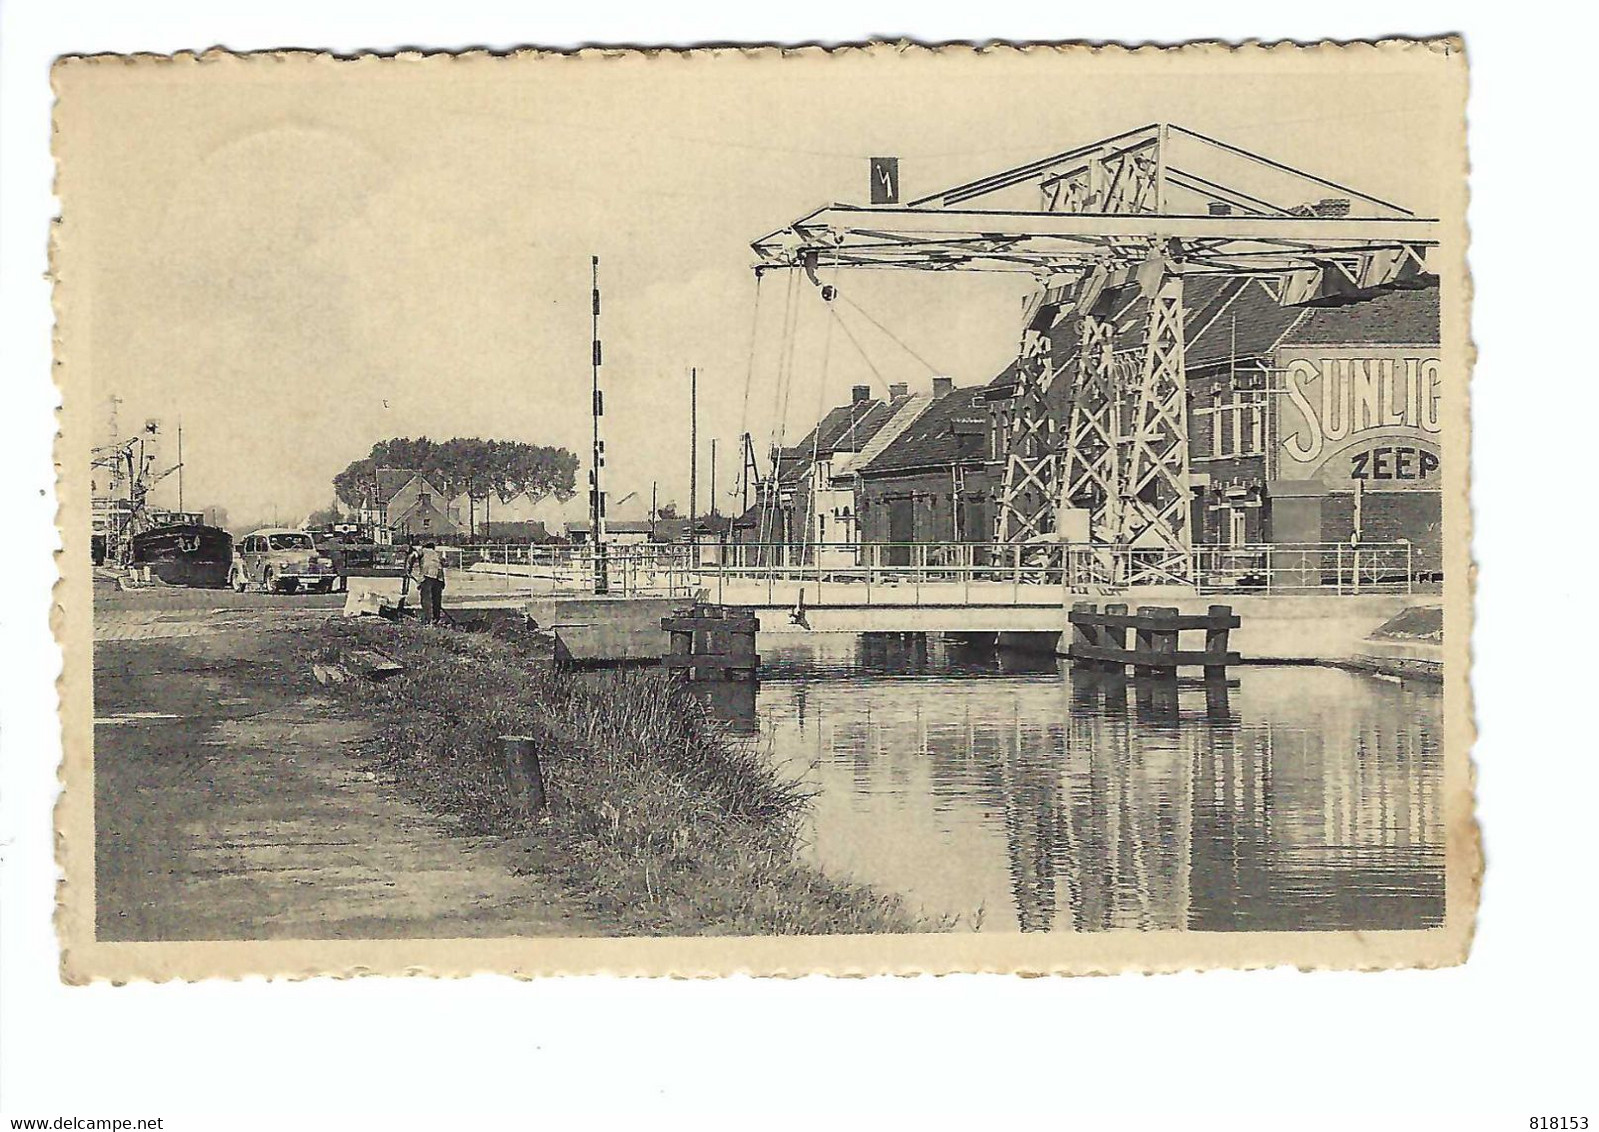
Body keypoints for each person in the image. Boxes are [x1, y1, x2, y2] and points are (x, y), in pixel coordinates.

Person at [416, 540, 446, 625]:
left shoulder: (423, 551)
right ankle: (436, 619)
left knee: (426, 598)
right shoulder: (436, 554)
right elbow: (443, 563)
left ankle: (428, 620)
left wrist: (408, 569)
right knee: (436, 599)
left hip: (428, 575)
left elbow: (412, 556)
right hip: (439, 577)